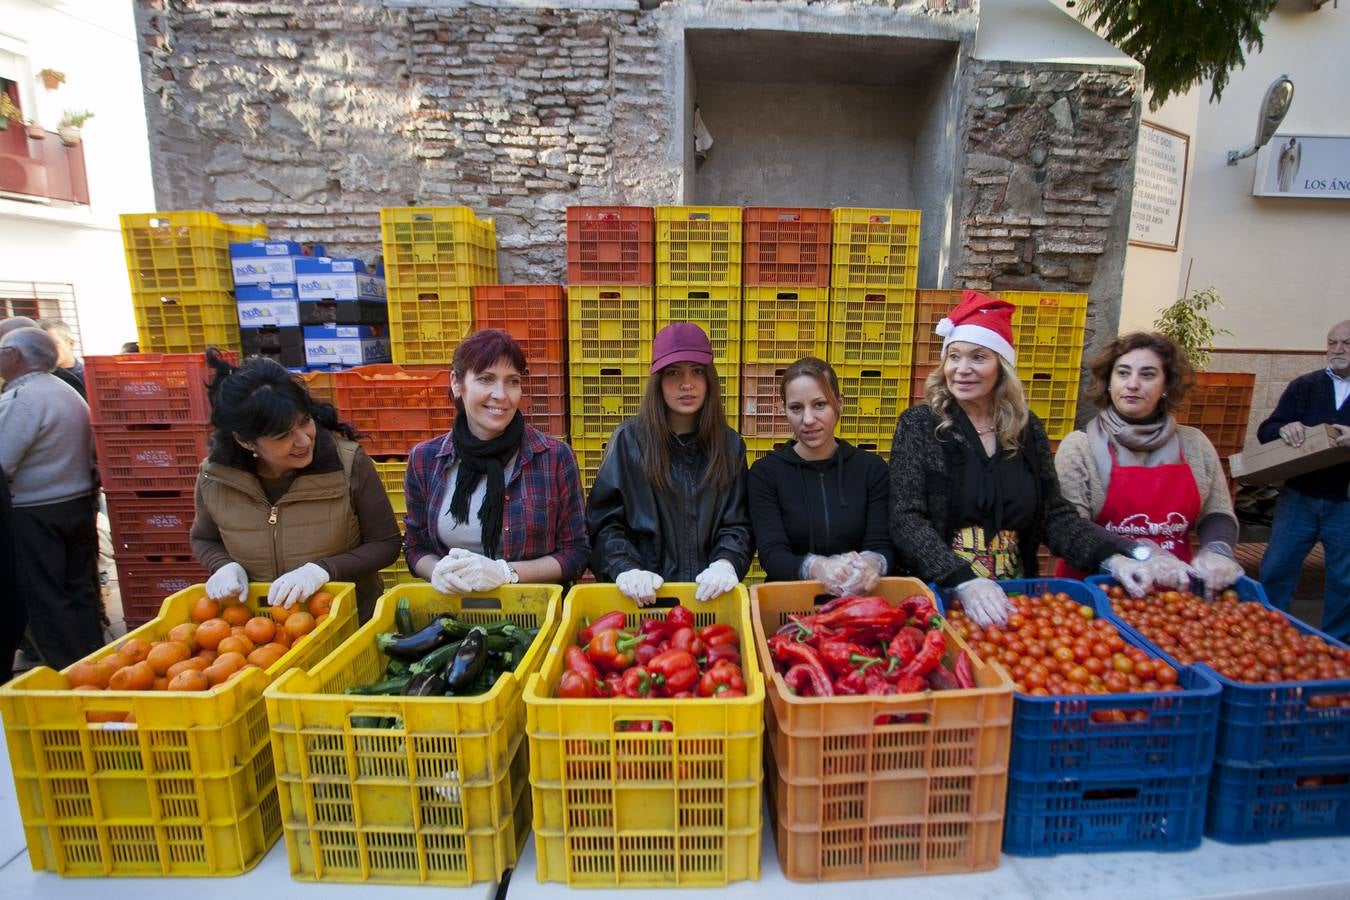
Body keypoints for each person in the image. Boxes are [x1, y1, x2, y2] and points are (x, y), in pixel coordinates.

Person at [888, 291, 1158, 627]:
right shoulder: (920, 425)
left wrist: (1112, 558)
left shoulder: (1027, 429)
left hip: (1016, 599)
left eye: (978, 357)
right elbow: (906, 518)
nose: (962, 369)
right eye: (954, 356)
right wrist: (963, 580)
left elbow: (1053, 515)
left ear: (1002, 366)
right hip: (941, 595)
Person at [191, 350, 401, 621]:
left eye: (305, 422)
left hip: (343, 620)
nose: (303, 441)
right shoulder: (216, 477)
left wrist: (322, 570)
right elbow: (204, 539)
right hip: (256, 627)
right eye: (283, 436)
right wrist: (223, 566)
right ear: (245, 441)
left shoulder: (348, 464)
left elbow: (385, 543)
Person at [1054, 332, 1243, 597]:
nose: (1132, 384)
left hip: (1174, 590)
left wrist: (1218, 550)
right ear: (1108, 383)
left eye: (1147, 375)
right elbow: (1070, 523)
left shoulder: (1194, 445)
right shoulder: (1080, 446)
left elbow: (1217, 512)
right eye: (1123, 373)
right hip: (1094, 586)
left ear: (1167, 385)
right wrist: (1139, 552)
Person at [404, 329, 589, 594]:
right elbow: (415, 546)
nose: (501, 395)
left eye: (512, 381)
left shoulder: (554, 457)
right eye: (486, 379)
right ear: (456, 382)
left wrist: (505, 572)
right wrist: (437, 571)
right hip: (454, 606)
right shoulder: (425, 459)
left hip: (535, 607)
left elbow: (576, 552)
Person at [587, 323, 752, 606]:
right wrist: (626, 568)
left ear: (709, 379)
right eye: (674, 372)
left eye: (697, 371)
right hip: (643, 601)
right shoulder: (628, 442)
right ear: (658, 381)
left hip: (710, 599)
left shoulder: (730, 445)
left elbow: (738, 523)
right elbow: (605, 523)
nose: (687, 384)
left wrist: (726, 562)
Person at [0, 327, 102, 669]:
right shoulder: (66, 391)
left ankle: (68, 672)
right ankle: (92, 660)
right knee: (79, 590)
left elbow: (2, 461)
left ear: (14, 355)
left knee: (44, 596)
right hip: (77, 503)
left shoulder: (22, 400)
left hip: (35, 510)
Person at [748, 356, 894, 595]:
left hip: (861, 602)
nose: (808, 420)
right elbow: (772, 555)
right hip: (791, 603)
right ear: (784, 410)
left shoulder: (872, 469)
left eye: (819, 404)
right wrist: (815, 566)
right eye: (796, 408)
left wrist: (870, 564)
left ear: (839, 403)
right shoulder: (766, 473)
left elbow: (882, 545)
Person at [1256, 319, 1350, 640]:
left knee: (1344, 580)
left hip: (1345, 502)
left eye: (1346, 343)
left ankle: (1335, 646)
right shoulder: (1305, 386)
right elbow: (1267, 430)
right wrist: (1283, 429)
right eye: (1332, 343)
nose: (1337, 350)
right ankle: (1271, 634)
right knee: (1276, 568)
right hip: (1299, 496)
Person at [36, 319, 85, 399]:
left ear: (71, 344)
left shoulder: (89, 378)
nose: (46, 349)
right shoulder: (35, 380)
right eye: (40, 345)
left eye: (53, 343)